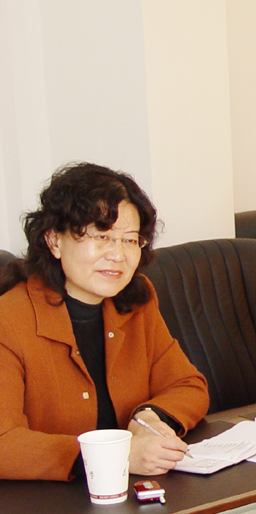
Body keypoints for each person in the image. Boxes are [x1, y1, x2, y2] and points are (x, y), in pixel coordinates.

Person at [0, 163, 209, 481]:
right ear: (54, 240)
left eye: (130, 240)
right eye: (101, 237)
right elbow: (4, 443)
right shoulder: (10, 318)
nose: (118, 255)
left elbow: (188, 385)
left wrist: (149, 418)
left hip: (134, 491)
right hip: (48, 501)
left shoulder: (136, 300)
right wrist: (115, 456)